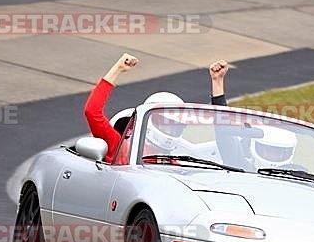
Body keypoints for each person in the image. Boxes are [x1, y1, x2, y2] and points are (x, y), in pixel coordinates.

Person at [84, 54, 230, 162]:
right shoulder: (121, 147)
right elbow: (92, 111)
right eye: (167, 125)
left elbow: (225, 139)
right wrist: (118, 69)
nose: (171, 131)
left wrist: (217, 82)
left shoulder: (173, 163)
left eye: (176, 127)